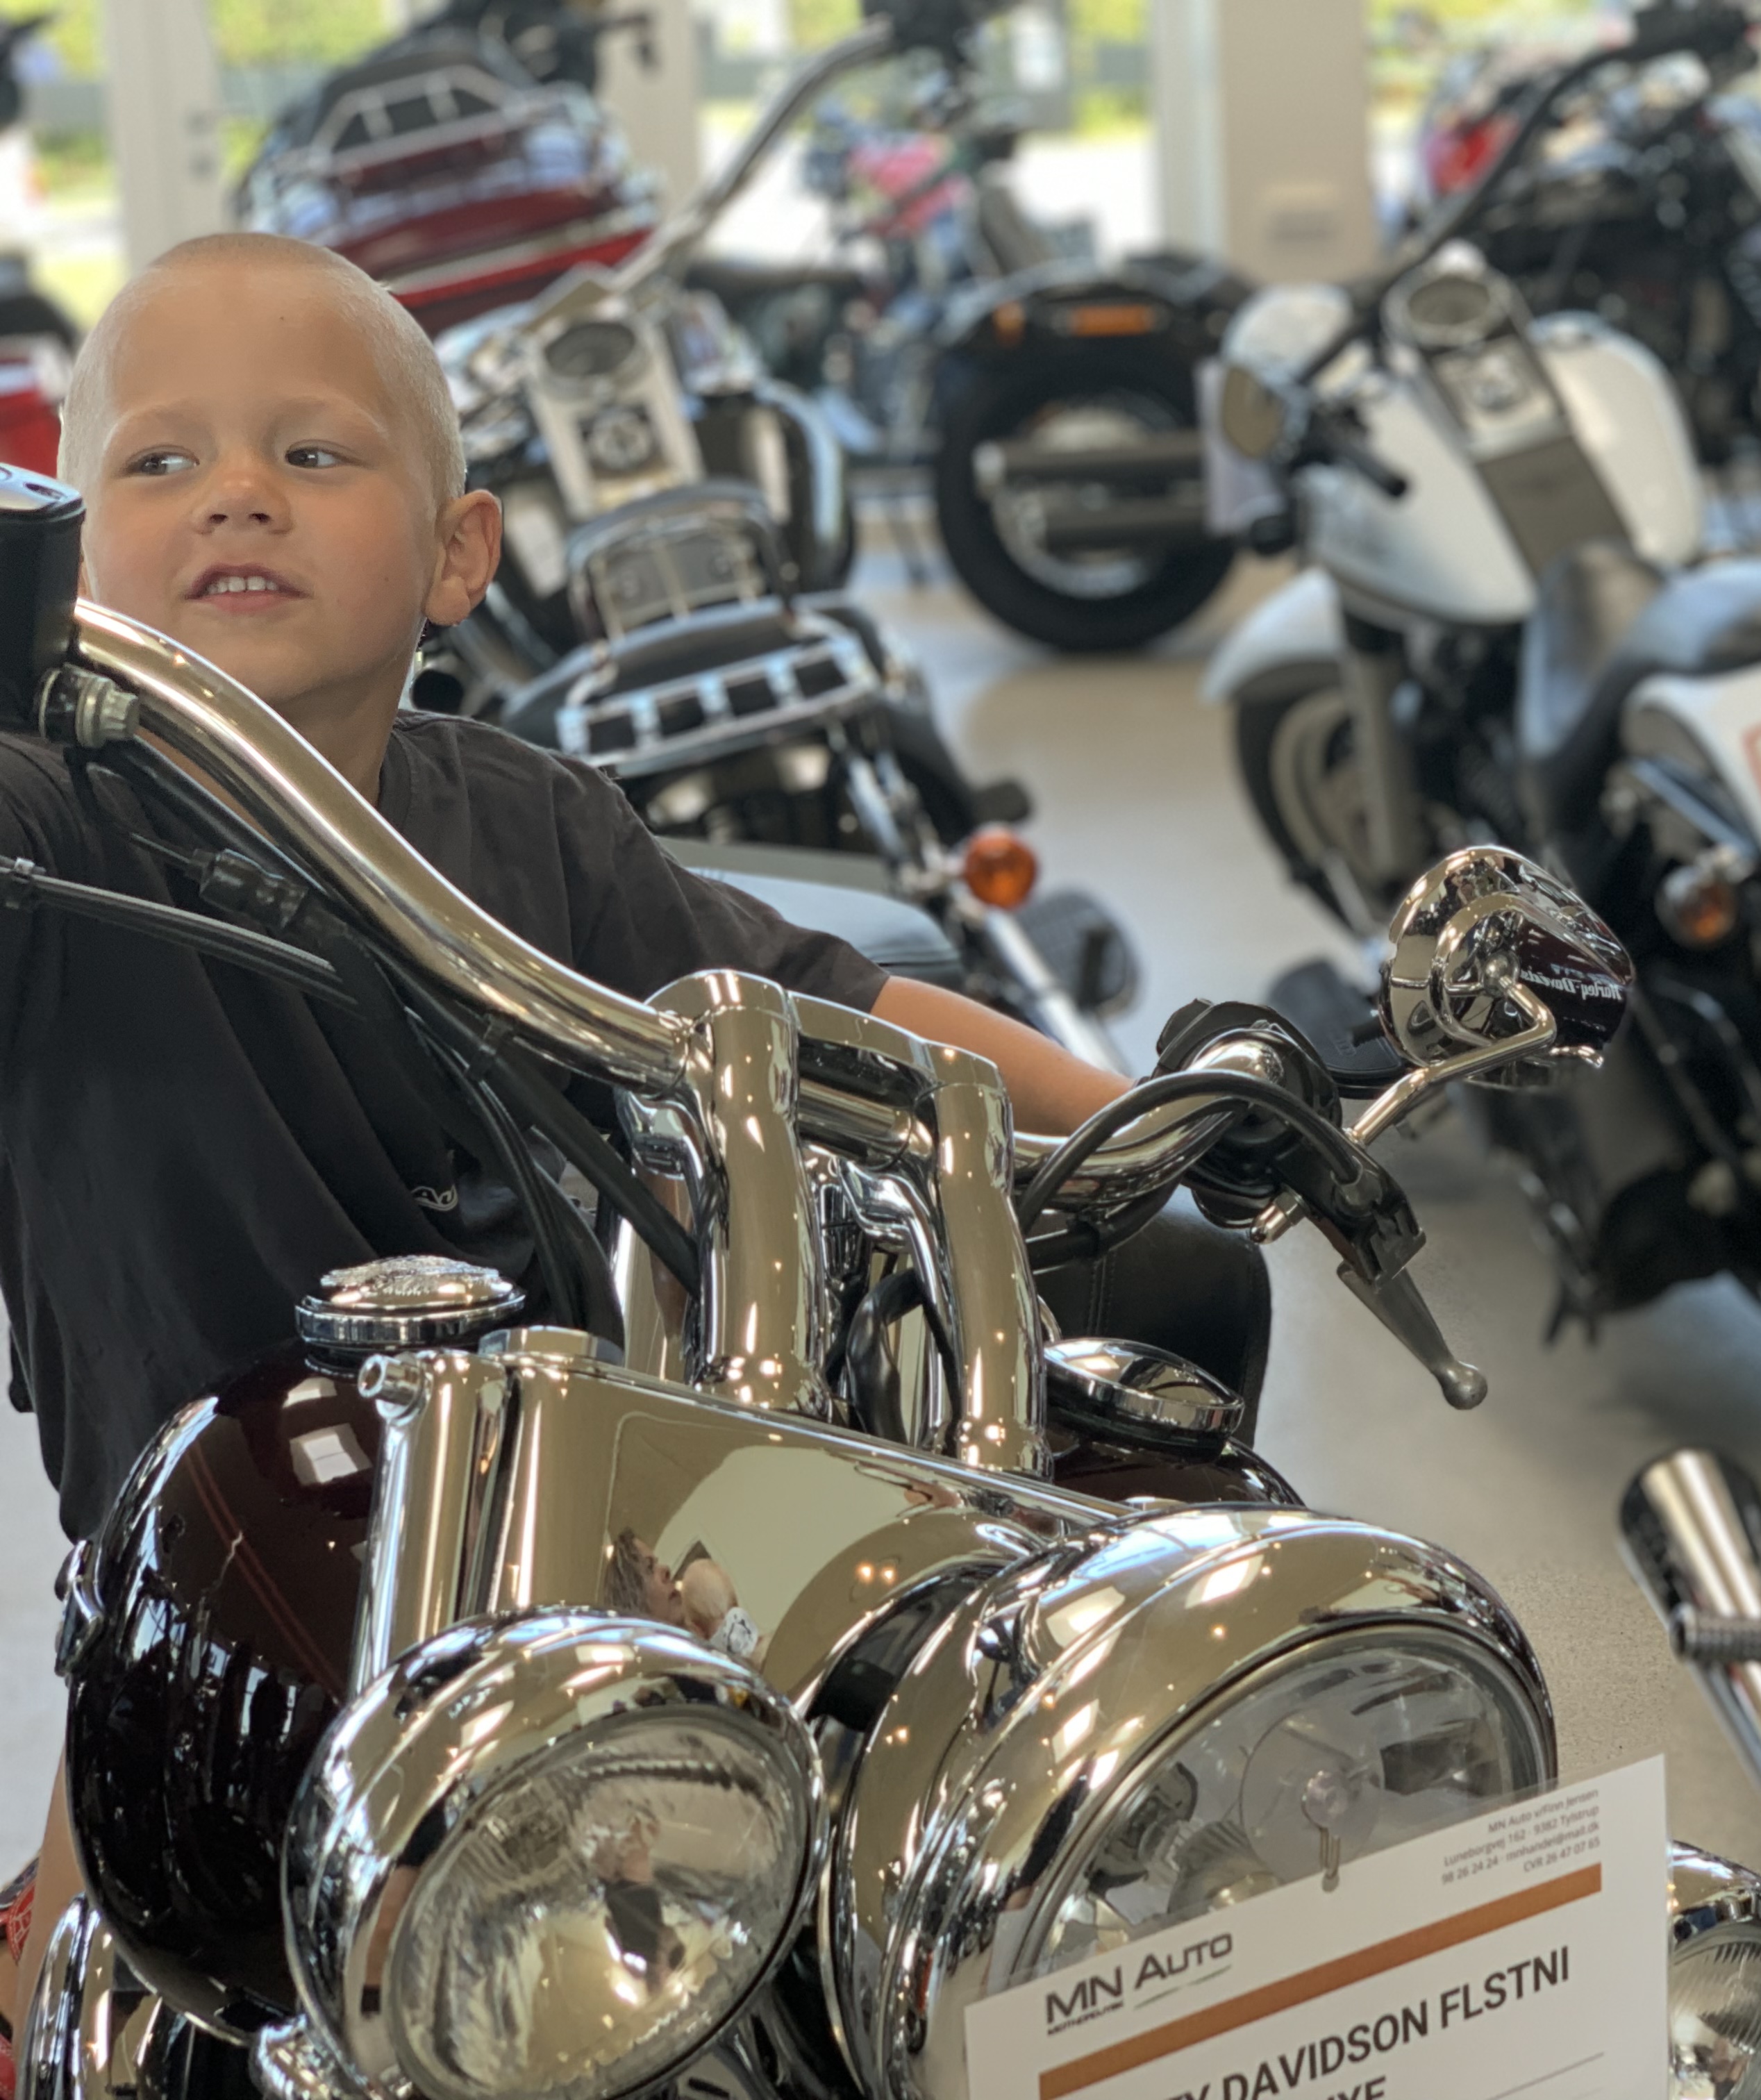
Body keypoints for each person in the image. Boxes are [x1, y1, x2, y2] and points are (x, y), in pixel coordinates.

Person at [0, 232, 1140, 2065]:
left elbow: (832, 1007)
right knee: (105, 2011)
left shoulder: (535, 824)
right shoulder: (48, 836)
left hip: (595, 1577)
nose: (237, 494)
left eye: (313, 452)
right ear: (60, 561)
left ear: (459, 555)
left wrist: (1140, 1108)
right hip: (217, 1620)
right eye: (159, 459)